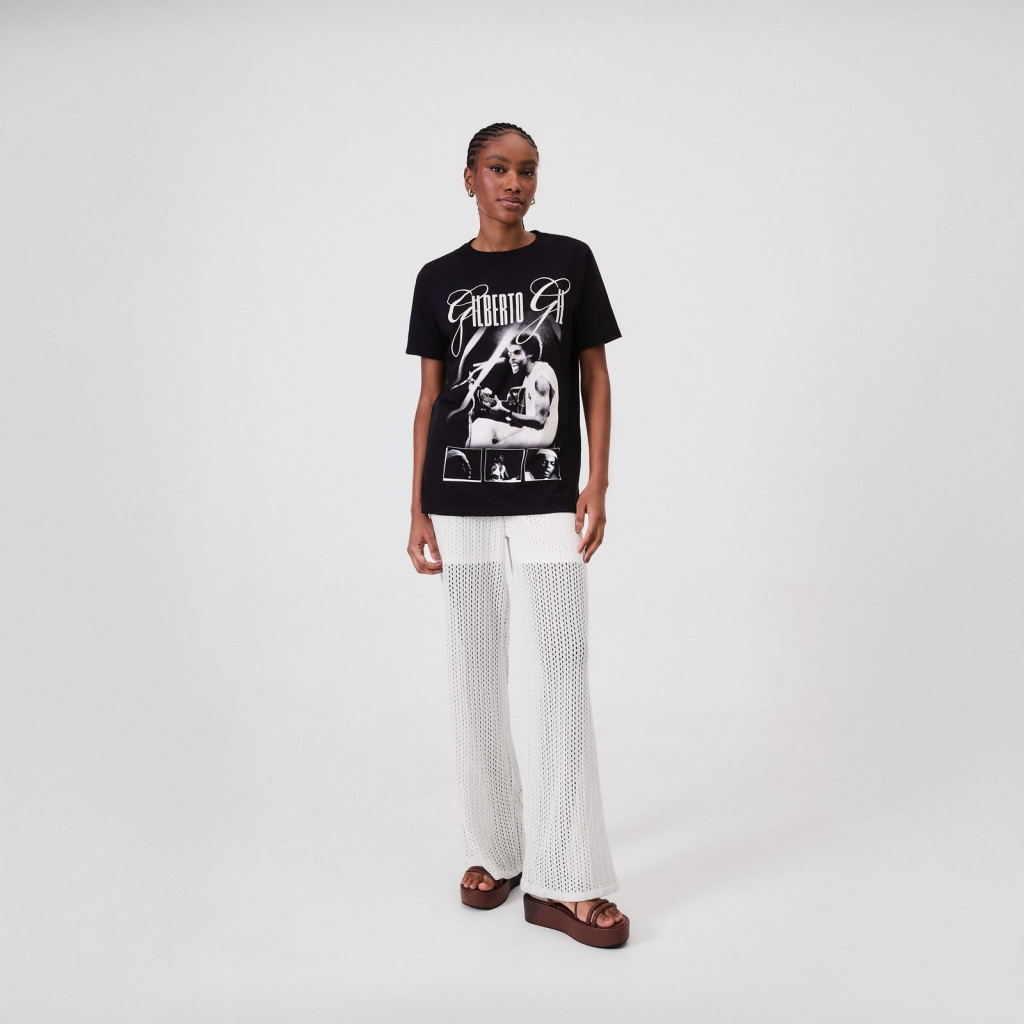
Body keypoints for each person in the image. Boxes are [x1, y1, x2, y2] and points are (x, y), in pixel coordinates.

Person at [405, 122, 629, 948]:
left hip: (547, 495)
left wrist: (597, 481)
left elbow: (594, 375)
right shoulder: (438, 279)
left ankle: (566, 879)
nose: (514, 182)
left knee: (563, 666)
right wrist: (416, 508)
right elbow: (431, 399)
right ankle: (495, 851)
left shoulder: (569, 262)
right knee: (475, 669)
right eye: (498, 168)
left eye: (527, 170)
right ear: (468, 177)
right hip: (457, 496)